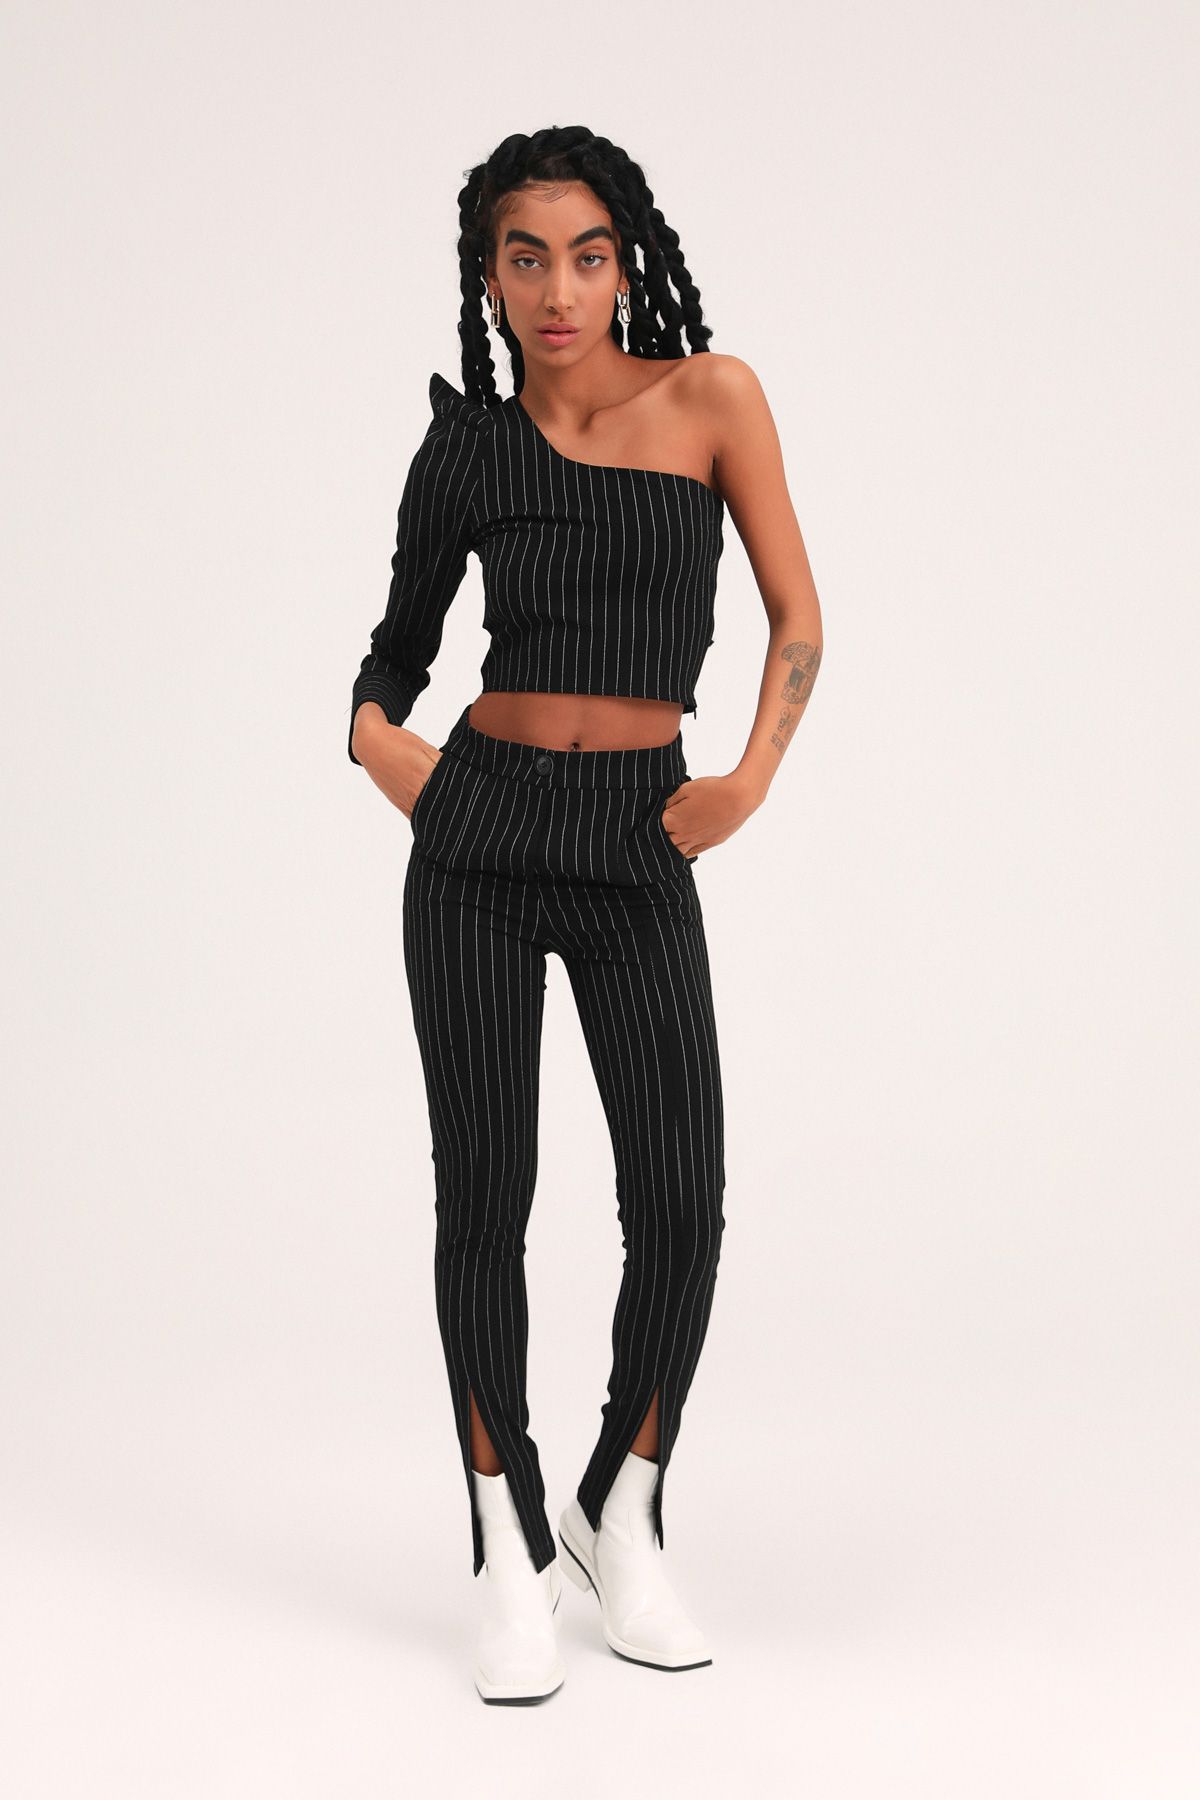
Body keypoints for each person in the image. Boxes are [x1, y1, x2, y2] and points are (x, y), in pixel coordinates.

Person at [347, 126, 823, 1705]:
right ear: (488, 277)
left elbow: (798, 616)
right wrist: (381, 746)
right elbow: (398, 651)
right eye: (525, 258)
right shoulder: (469, 449)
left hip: (638, 830)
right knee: (484, 1198)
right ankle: (506, 1545)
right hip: (478, 834)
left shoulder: (713, 399)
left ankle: (624, 1508)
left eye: (588, 254)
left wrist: (747, 779)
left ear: (629, 263)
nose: (559, 290)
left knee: (681, 1197)